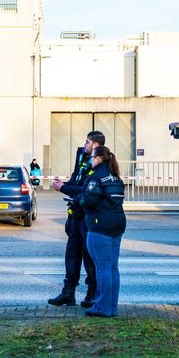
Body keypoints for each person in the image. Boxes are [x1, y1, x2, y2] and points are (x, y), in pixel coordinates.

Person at [48, 130, 105, 307]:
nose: (84, 144)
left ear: (95, 145)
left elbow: (85, 190)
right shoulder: (82, 159)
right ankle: (68, 292)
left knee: (88, 256)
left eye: (87, 142)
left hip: (88, 216)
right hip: (75, 214)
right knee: (71, 254)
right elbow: (75, 182)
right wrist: (63, 184)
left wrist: (63, 188)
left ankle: (91, 293)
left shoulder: (99, 165)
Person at [75, 146, 126, 318]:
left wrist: (78, 200)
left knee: (102, 267)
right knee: (113, 267)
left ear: (98, 158)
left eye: (92, 157)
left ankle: (102, 308)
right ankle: (112, 307)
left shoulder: (96, 177)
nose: (90, 160)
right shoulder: (116, 177)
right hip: (117, 224)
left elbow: (90, 200)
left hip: (100, 225)